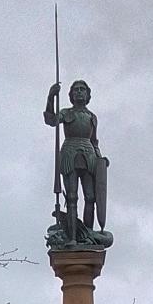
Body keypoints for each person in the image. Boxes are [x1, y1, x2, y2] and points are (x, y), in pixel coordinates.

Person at [45, 79, 107, 242]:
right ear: (71, 95)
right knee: (71, 198)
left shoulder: (92, 117)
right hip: (70, 152)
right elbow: (51, 120)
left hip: (88, 154)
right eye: (76, 90)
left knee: (91, 197)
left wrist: (100, 158)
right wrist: (51, 98)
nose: (79, 92)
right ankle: (72, 238)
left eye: (82, 89)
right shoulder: (66, 113)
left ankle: (87, 235)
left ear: (87, 94)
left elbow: (94, 141)